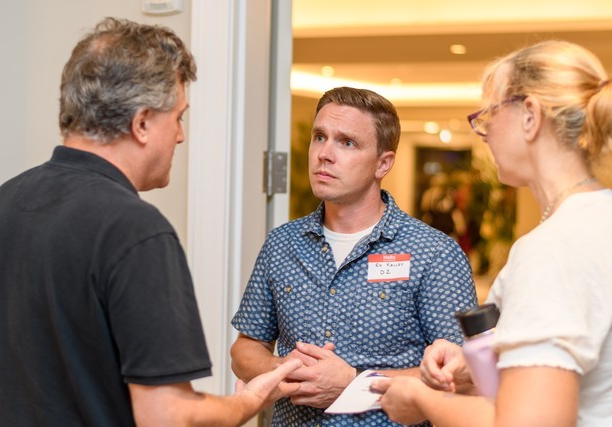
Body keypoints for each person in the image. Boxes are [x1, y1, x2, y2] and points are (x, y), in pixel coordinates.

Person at [0, 17, 302, 426]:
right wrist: (251, 400)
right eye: (178, 117)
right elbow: (169, 417)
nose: (180, 136)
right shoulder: (136, 230)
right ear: (142, 123)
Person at [371, 40, 612, 427]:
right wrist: (482, 361)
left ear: (530, 115)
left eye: (490, 112)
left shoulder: (552, 248)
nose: (482, 132)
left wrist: (421, 399)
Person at [230, 86, 478, 426]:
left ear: (383, 163)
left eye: (347, 142)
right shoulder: (282, 244)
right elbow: (244, 348)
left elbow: (465, 375)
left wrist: (354, 381)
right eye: (320, 137)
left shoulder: (433, 253)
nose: (324, 154)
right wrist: (282, 368)